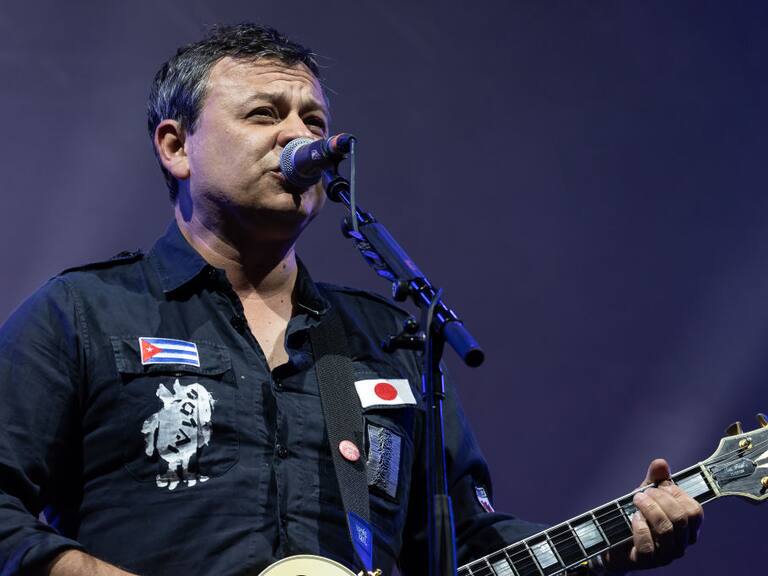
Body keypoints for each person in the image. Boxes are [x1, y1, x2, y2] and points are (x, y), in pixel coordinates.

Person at [0, 24, 702, 576]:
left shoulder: (385, 339)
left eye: (313, 120)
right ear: (176, 146)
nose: (301, 138)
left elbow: (462, 543)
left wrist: (614, 544)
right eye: (265, 114)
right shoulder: (81, 312)